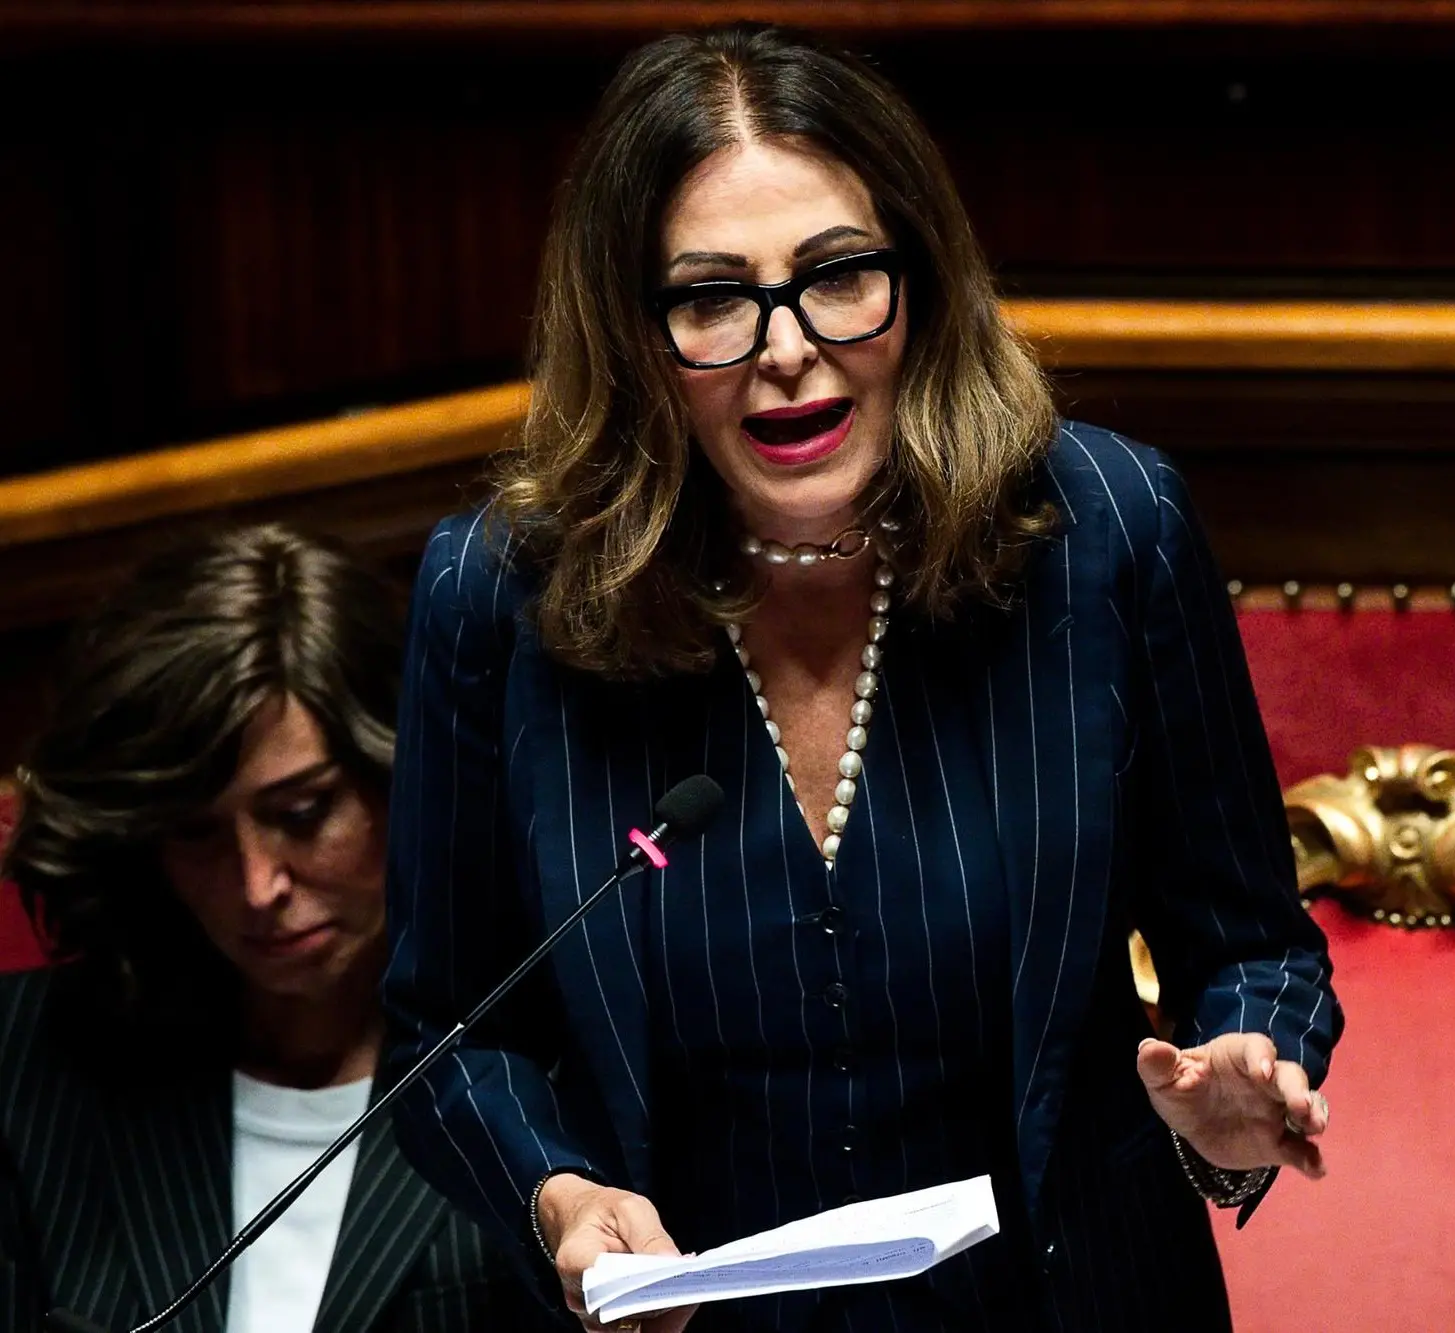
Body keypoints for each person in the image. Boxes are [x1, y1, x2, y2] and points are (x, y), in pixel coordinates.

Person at [383, 23, 1343, 1333]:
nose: (787, 345)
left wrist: (1241, 1078)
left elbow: (1249, 942)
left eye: (838, 274)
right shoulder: (496, 596)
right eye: (711, 297)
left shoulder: (1112, 531)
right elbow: (445, 1034)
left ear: (924, 283)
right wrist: (553, 1189)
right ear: (629, 332)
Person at [0, 525, 571, 1333]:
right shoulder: (28, 1061)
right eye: (196, 833)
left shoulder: (552, 1057)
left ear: (400, 778)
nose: (256, 885)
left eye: (302, 815)